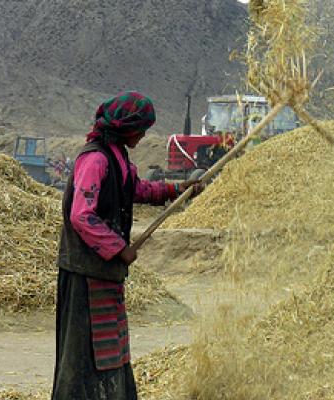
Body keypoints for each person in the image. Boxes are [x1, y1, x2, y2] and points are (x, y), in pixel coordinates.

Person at [52, 91, 203, 399]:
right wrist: (120, 248)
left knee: (111, 351)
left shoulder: (117, 156)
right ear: (125, 128)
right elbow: (82, 215)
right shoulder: (94, 159)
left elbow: (135, 188)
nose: (143, 135)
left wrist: (176, 189)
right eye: (141, 129)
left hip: (106, 273)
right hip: (85, 274)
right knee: (84, 354)